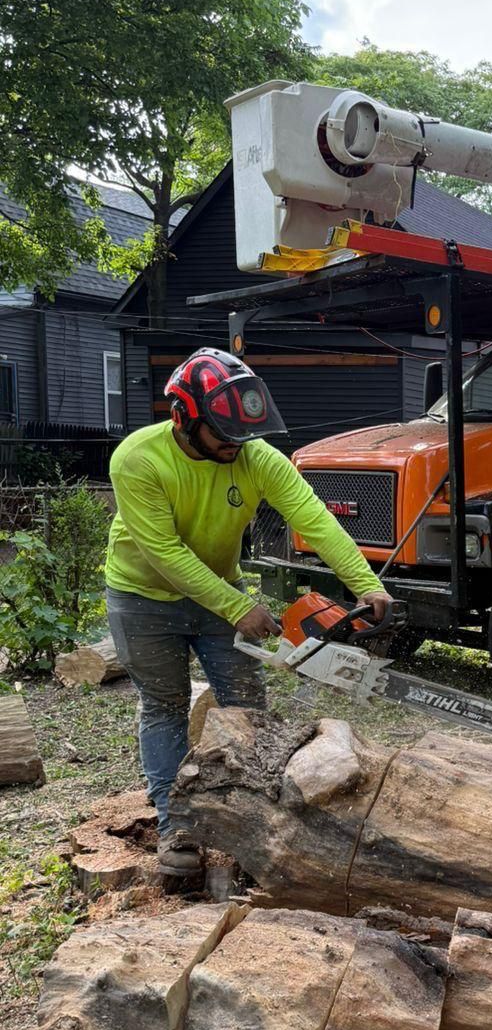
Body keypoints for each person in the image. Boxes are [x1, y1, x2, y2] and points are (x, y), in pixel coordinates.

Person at [105, 348, 390, 880]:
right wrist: (239, 608)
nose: (235, 446)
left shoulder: (256, 456)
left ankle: (257, 815)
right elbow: (165, 554)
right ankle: (177, 828)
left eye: (242, 435)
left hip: (220, 591)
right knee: (164, 706)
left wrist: (366, 583)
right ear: (183, 419)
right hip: (142, 597)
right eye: (223, 435)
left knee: (248, 705)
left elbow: (314, 519)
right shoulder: (137, 459)